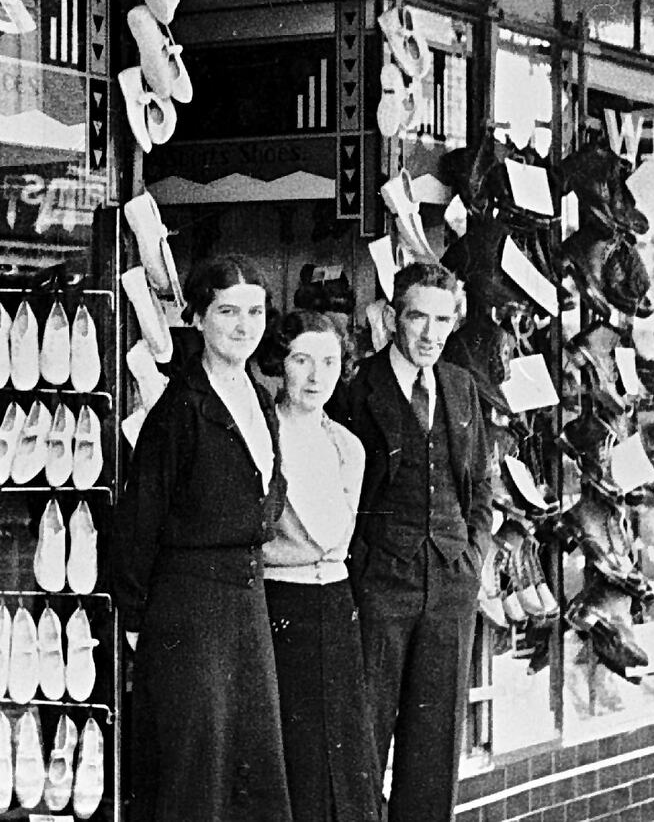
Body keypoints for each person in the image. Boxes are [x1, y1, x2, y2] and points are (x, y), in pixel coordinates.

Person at [112, 255, 293, 822]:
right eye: (227, 311)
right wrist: (141, 621)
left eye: (255, 312)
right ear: (197, 317)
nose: (244, 325)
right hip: (188, 611)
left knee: (250, 762)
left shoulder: (259, 399)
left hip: (246, 602)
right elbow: (138, 522)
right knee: (197, 770)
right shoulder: (179, 407)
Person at [337, 261, 492, 822]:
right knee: (364, 738)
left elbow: (479, 483)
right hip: (380, 585)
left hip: (451, 584)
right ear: (391, 317)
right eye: (417, 317)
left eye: (442, 320)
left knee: (436, 746)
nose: (430, 334)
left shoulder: (461, 386)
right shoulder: (357, 388)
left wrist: (474, 553)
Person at [262, 311, 382, 822]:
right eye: (301, 360)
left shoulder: (347, 447)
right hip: (277, 606)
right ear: (280, 364)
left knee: (343, 750)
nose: (316, 376)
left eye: (329, 362)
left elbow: (341, 536)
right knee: (295, 752)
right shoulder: (261, 436)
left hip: (336, 607)